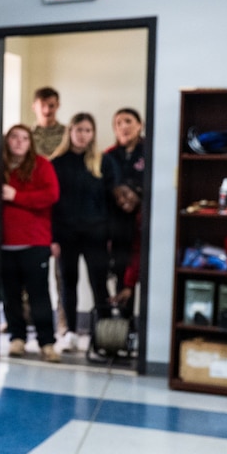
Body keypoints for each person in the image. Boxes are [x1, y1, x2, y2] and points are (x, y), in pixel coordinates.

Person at [50, 112, 116, 352]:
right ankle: (68, 333)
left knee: (99, 283)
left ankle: (104, 335)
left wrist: (110, 235)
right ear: (70, 132)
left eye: (87, 130)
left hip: (96, 234)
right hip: (66, 234)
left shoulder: (103, 162)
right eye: (79, 130)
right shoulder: (56, 163)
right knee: (68, 283)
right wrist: (53, 238)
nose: (83, 135)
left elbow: (110, 203)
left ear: (93, 134)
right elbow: (52, 204)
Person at [0, 124, 61, 362]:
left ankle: (47, 342)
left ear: (30, 142)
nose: (18, 142)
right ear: (7, 140)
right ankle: (17, 338)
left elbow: (51, 195)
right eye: (14, 137)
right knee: (10, 296)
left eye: (24, 138)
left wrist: (17, 196)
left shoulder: (41, 165)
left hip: (34, 243)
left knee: (39, 296)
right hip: (4, 244)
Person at [103, 108, 145, 316]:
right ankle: (121, 327)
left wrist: (137, 196)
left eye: (128, 121)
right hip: (117, 223)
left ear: (140, 125)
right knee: (120, 273)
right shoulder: (108, 156)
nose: (123, 127)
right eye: (118, 123)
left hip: (143, 222)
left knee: (140, 271)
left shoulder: (150, 151)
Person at [30, 86, 65, 158]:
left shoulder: (68, 134)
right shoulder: (26, 135)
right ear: (34, 107)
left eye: (51, 106)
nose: (47, 110)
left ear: (58, 105)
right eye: (42, 106)